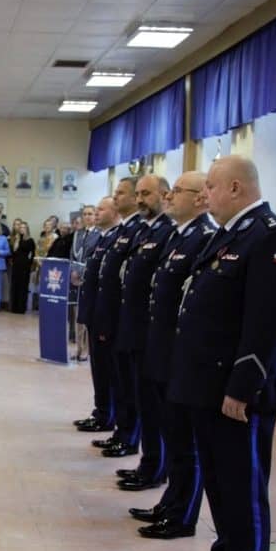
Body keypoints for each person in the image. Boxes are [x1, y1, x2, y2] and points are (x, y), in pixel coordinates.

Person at [169, 156, 276, 551]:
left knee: (243, 488)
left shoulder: (271, 238)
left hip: (238, 392)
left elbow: (266, 324)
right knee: (220, 481)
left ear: (234, 188)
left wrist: (241, 389)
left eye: (210, 186)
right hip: (208, 385)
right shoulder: (230, 235)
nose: (204, 194)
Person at [133, 171, 215, 539]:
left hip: (179, 354)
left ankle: (182, 515)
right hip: (162, 349)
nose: (169, 197)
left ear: (199, 198)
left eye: (177, 191)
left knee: (184, 442)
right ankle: (170, 503)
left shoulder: (204, 237)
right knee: (172, 434)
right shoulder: (180, 236)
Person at [113, 175, 175, 492]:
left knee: (154, 408)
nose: (140, 200)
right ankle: (149, 464)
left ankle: (155, 467)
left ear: (165, 194)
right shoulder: (147, 231)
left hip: (152, 334)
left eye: (146, 194)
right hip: (136, 331)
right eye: (137, 194)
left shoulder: (168, 232)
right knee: (144, 403)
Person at [90, 178, 146, 458]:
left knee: (126, 385)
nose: (115, 197)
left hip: (125, 323)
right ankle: (120, 430)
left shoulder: (138, 231)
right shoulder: (124, 231)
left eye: (121, 193)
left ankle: (128, 435)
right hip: (112, 318)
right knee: (117, 379)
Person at [73, 198, 121, 432]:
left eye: (101, 209)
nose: (96, 213)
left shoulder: (118, 238)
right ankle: (101, 412)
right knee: (99, 369)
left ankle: (107, 415)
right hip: (94, 312)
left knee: (107, 371)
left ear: (115, 212)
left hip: (105, 315)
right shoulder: (103, 238)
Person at [70, 205, 100, 362]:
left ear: (96, 216)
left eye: (90, 214)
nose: (87, 217)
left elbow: (95, 256)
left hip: (90, 277)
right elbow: (73, 255)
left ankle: (87, 350)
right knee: (78, 314)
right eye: (85, 214)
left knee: (88, 314)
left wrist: (85, 273)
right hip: (77, 278)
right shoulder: (78, 234)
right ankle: (78, 347)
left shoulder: (99, 233)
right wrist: (74, 272)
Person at [9, 222, 34, 313]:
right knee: (15, 286)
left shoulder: (30, 240)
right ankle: (14, 307)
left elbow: (32, 254)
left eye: (24, 227)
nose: (22, 229)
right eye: (21, 227)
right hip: (16, 266)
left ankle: (21, 307)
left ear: (27, 229)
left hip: (25, 267)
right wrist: (16, 241)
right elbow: (14, 252)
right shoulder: (16, 239)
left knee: (23, 287)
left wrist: (29, 264)